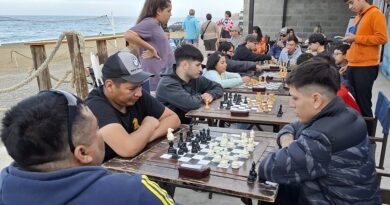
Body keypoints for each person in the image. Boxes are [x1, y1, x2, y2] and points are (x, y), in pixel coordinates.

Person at [0, 89, 178, 205]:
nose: (102, 133)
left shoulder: (4, 185)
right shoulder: (131, 192)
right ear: (82, 153)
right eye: (97, 129)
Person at [258, 57, 381, 205]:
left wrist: (288, 147)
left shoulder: (320, 139)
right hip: (358, 197)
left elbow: (268, 168)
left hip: (332, 200)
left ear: (316, 99)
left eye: (295, 98)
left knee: (269, 190)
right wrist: (287, 140)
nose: (291, 104)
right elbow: (294, 126)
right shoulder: (347, 113)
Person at [85, 51, 180, 162]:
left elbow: (173, 119)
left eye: (140, 85)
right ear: (110, 85)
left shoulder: (136, 95)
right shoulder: (95, 106)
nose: (139, 93)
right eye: (132, 88)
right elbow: (128, 149)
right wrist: (148, 125)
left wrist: (144, 137)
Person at [341, 0, 388, 117]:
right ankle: (357, 131)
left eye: (351, 2)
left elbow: (382, 38)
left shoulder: (375, 14)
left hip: (366, 67)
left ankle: (368, 133)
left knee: (363, 104)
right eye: (348, 4)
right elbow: (355, 44)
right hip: (354, 65)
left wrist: (356, 38)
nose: (350, 7)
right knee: (352, 102)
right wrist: (348, 63)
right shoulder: (358, 17)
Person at [156, 45, 223, 124]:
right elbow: (191, 104)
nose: (201, 69)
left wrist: (211, 94)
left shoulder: (195, 78)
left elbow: (218, 87)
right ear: (185, 65)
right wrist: (201, 96)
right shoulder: (167, 84)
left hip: (185, 127)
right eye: (197, 65)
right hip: (168, 130)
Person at [125, 0, 175, 91]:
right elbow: (128, 35)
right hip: (156, 77)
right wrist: (151, 49)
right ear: (159, 11)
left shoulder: (156, 24)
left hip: (162, 75)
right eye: (168, 11)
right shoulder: (150, 23)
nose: (171, 14)